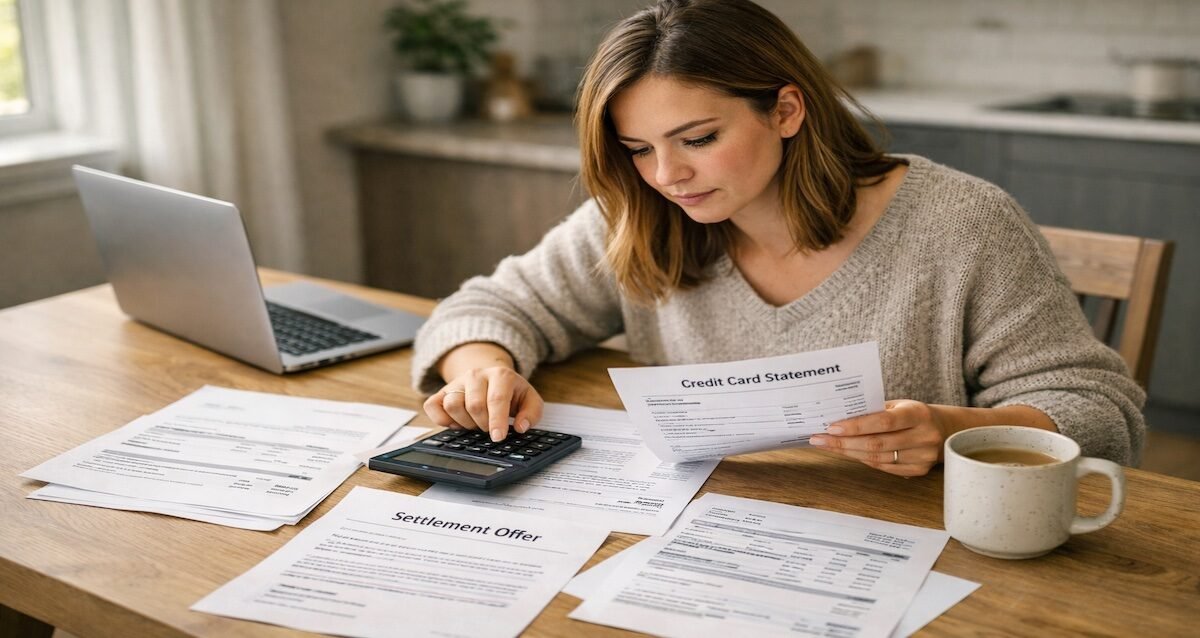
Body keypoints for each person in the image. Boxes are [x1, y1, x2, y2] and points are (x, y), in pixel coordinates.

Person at [411, 0, 1145, 476]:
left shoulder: (961, 225)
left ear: (787, 109)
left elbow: (1100, 414)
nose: (666, 174)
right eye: (637, 148)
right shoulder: (640, 215)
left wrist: (954, 432)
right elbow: (488, 307)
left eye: (697, 137)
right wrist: (482, 370)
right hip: (702, 540)